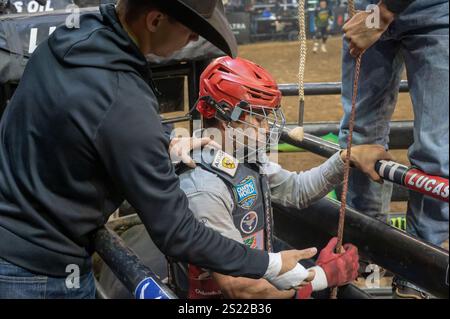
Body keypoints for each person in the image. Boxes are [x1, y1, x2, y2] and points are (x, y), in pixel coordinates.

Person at [0, 0, 309, 299]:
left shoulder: (74, 37)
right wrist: (270, 263)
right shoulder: (122, 95)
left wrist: (164, 140)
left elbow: (91, 120)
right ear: (155, 20)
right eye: (190, 29)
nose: (194, 38)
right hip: (37, 271)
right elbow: (177, 231)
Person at [108, 56, 392, 299]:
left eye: (266, 117)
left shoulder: (245, 158)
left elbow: (296, 190)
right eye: (256, 118)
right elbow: (239, 287)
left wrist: (345, 159)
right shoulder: (204, 188)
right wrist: (322, 276)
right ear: (224, 118)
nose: (266, 127)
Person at [340, 0, 449, 298]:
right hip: (371, 9)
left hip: (430, 10)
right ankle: (362, 256)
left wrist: (381, 15)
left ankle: (419, 271)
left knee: (436, 152)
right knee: (359, 138)